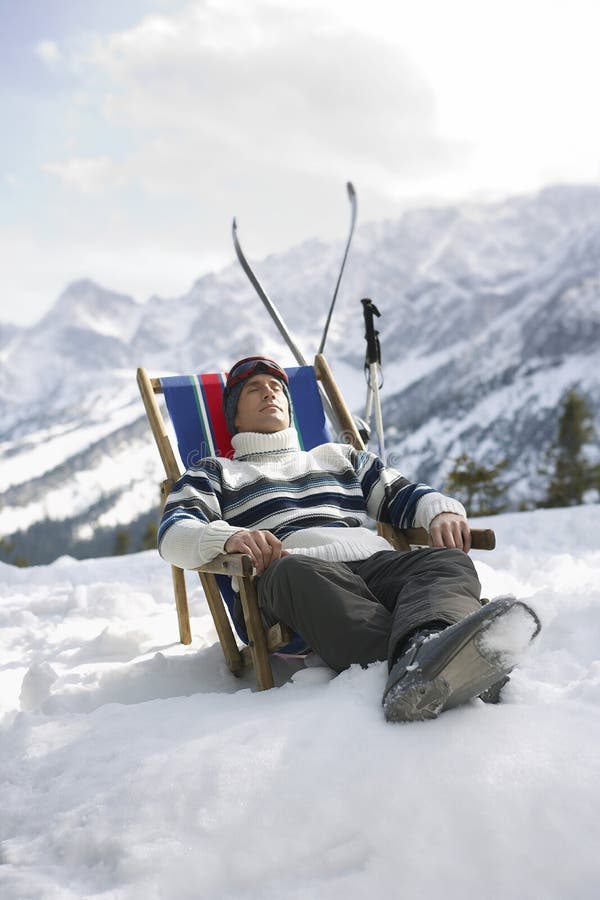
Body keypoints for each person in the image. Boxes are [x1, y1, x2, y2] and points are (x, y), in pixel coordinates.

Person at [158, 356, 540, 722]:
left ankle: (430, 650)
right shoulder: (215, 472)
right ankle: (430, 665)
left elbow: (402, 494)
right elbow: (173, 532)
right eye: (254, 389)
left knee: (447, 561)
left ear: (290, 408)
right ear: (235, 417)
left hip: (376, 565)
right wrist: (229, 537)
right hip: (293, 575)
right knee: (296, 570)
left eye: (277, 387)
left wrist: (440, 511)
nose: (270, 393)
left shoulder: (340, 457)